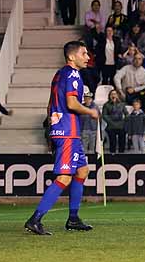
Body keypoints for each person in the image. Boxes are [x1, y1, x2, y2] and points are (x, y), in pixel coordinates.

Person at [25, 42, 102, 235]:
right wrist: (90, 111)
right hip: (67, 132)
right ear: (71, 57)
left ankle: (73, 219)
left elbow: (52, 103)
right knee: (64, 177)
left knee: (82, 171)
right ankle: (35, 219)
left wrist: (53, 127)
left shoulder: (60, 74)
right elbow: (71, 103)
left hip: (66, 131)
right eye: (83, 53)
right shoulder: (73, 74)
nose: (87, 57)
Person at [102, 88, 127, 153]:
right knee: (112, 142)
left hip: (121, 125)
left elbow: (127, 114)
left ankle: (121, 154)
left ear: (117, 95)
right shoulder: (106, 105)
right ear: (109, 96)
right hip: (111, 126)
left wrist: (123, 122)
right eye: (112, 94)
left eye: (115, 94)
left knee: (122, 141)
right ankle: (112, 155)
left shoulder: (122, 104)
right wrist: (111, 122)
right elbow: (104, 115)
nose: (113, 95)